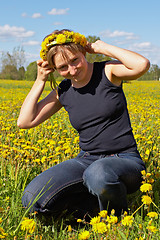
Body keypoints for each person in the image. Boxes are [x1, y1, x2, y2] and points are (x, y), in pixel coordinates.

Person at [17, 29, 150, 220]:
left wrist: (103, 48)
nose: (72, 70)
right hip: (87, 159)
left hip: (125, 159)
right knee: (32, 198)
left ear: (84, 53)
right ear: (54, 68)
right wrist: (40, 80)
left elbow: (142, 65)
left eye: (75, 60)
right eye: (63, 67)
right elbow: (25, 121)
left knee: (98, 174)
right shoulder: (63, 90)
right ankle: (88, 209)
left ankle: (117, 219)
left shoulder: (107, 72)